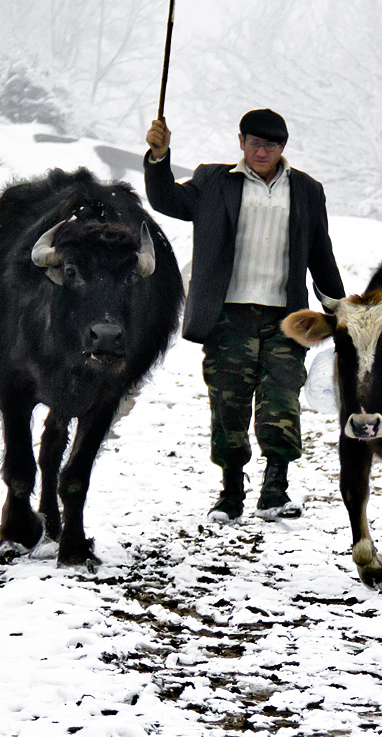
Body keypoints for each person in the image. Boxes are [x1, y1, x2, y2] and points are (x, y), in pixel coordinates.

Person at [143, 108, 345, 521]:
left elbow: (320, 254)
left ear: (283, 147)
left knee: (281, 400)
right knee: (229, 404)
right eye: (254, 142)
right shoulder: (214, 182)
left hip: (287, 319)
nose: (262, 150)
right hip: (228, 315)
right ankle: (230, 493)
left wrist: (339, 313)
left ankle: (275, 491)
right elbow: (166, 200)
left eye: (270, 144)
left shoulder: (307, 190)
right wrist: (159, 157)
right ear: (241, 143)